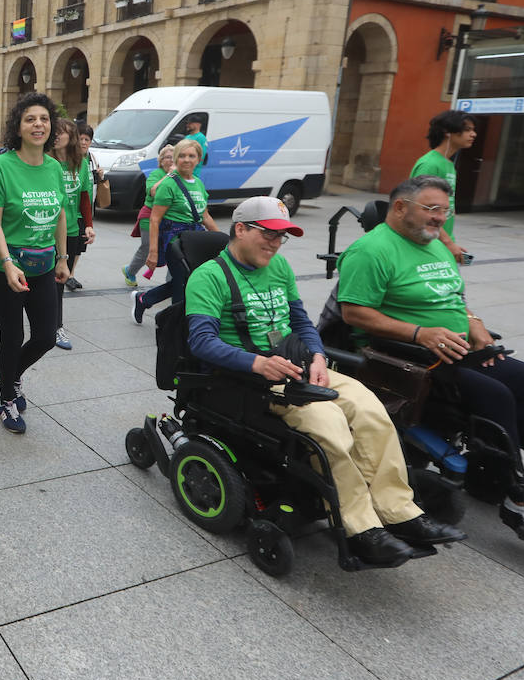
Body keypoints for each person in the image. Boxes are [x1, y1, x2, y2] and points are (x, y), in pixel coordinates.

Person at [338, 175, 524, 548]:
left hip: (460, 350)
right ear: (400, 207)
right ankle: (518, 494)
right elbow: (354, 313)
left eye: (445, 211)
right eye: (432, 209)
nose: (440, 218)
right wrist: (421, 333)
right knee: (495, 395)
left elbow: (453, 297)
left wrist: (474, 323)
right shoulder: (371, 251)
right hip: (408, 359)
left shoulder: (435, 245)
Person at [186, 196, 466, 566]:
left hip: (299, 365)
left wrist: (317, 354)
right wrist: (256, 363)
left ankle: (400, 511)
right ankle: (362, 528)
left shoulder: (279, 266)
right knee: (329, 424)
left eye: (282, 237)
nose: (275, 243)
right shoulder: (208, 277)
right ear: (240, 229)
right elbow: (201, 341)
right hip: (250, 379)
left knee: (371, 410)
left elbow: (301, 322)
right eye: (268, 234)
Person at [0, 91, 70, 433]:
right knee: (12, 333)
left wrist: (62, 258)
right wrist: (6, 263)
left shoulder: (54, 167)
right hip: (7, 265)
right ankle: (6, 398)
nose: (38, 125)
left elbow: (60, 214)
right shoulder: (2, 167)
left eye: (44, 119)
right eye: (30, 119)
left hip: (44, 265)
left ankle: (11, 372)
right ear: (18, 127)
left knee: (47, 336)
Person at [132, 138, 220, 323]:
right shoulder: (169, 183)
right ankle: (178, 326)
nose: (187, 160)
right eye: (182, 156)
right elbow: (155, 219)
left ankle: (144, 299)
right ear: (176, 159)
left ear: (198, 159)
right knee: (182, 285)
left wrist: (223, 240)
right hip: (175, 240)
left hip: (195, 238)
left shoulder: (198, 183)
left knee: (189, 280)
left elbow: (205, 216)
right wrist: (154, 252)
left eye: (191, 156)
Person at [50, 119, 94, 350]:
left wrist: (88, 224)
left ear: (71, 137)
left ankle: (56, 326)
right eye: (54, 132)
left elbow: (85, 196)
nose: (56, 135)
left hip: (70, 231)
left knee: (59, 281)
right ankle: (42, 321)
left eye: (61, 132)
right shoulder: (45, 162)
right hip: (44, 231)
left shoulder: (81, 163)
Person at [410, 110, 475, 263]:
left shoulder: (448, 164)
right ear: (447, 131)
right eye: (467, 130)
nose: (473, 134)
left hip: (438, 240)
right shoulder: (430, 164)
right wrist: (448, 243)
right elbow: (419, 209)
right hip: (425, 243)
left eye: (473, 130)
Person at [122, 144, 174, 288]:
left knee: (173, 249)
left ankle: (172, 283)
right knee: (147, 247)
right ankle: (130, 271)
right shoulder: (156, 174)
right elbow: (153, 191)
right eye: (168, 157)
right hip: (149, 216)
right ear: (161, 160)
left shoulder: (179, 175)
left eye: (173, 158)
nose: (171, 160)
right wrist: (170, 175)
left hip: (169, 219)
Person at [69, 122, 108, 291]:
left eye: (87, 139)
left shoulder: (91, 159)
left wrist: (101, 176)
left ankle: (70, 274)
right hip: (71, 211)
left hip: (86, 210)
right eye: (81, 138)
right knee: (69, 244)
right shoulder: (68, 159)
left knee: (79, 246)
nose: (84, 142)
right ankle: (66, 274)